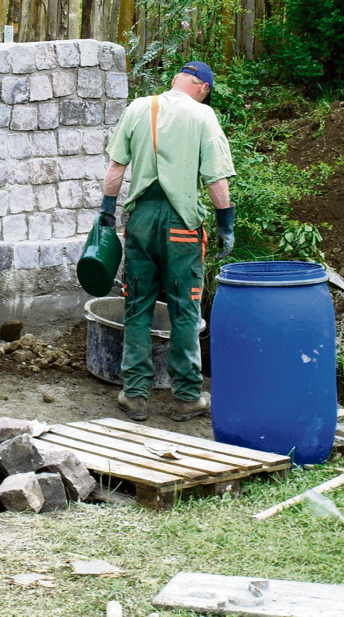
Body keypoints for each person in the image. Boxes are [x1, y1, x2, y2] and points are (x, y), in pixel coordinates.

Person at [99, 61, 236, 422]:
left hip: (141, 223)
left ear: (176, 80)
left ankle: (135, 395)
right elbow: (216, 179)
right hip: (181, 226)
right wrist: (226, 224)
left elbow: (115, 169)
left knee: (138, 305)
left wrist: (106, 213)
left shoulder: (138, 107)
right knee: (184, 310)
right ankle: (187, 397)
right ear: (203, 88)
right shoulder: (203, 117)